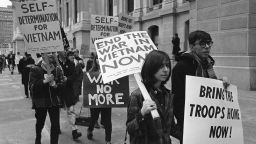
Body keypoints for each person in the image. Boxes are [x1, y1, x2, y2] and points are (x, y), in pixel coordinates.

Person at [171, 30, 226, 143]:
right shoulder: (180, 67)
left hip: (209, 121)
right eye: (202, 44)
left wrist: (222, 85)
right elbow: (177, 100)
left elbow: (210, 90)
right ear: (191, 46)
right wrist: (188, 123)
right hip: (190, 124)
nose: (207, 47)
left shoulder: (208, 64)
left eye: (209, 43)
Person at [126, 50, 174, 144]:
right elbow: (130, 129)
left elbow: (171, 127)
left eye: (167, 65)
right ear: (151, 68)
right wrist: (141, 114)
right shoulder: (137, 96)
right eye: (161, 66)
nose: (165, 70)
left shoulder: (168, 95)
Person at [29, 54, 64, 144]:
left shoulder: (57, 69)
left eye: (52, 53)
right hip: (41, 101)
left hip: (54, 101)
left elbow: (63, 85)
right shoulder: (35, 69)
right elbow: (32, 87)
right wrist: (44, 81)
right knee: (40, 122)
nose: (51, 55)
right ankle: (38, 137)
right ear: (43, 56)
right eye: (48, 53)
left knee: (55, 125)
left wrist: (56, 85)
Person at [87, 55, 112, 144]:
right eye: (98, 58)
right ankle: (90, 130)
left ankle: (108, 140)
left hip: (107, 100)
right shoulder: (91, 71)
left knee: (108, 121)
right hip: (95, 100)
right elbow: (88, 86)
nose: (99, 60)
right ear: (95, 60)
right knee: (94, 118)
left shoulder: (110, 71)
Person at [58, 51, 82, 140]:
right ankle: (57, 127)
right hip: (57, 91)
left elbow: (74, 76)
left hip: (68, 90)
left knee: (71, 111)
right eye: (63, 51)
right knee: (57, 111)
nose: (64, 52)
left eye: (65, 51)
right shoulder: (54, 62)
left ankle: (74, 131)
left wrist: (67, 79)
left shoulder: (71, 63)